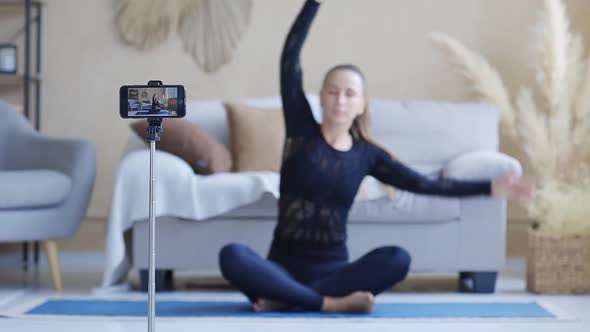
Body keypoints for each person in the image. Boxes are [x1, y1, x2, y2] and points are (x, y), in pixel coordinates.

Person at [218, 0, 535, 314]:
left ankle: (288, 299)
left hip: (335, 274)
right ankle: (325, 303)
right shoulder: (300, 131)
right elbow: (290, 58)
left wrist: (490, 187)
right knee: (232, 255)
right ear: (322, 97)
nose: (340, 100)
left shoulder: (367, 156)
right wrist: (313, 4)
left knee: (398, 258)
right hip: (281, 269)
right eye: (332, 91)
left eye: (349, 94)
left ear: (361, 104)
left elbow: (424, 185)